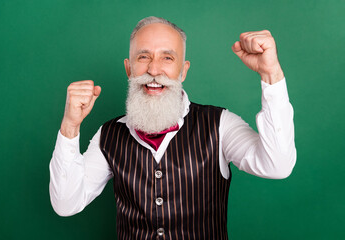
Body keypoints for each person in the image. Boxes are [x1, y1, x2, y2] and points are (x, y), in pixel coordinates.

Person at [49, 16, 296, 239]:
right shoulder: (109, 134)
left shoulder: (220, 124)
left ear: (183, 71)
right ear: (129, 69)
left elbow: (278, 165)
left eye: (167, 58)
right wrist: (70, 126)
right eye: (143, 57)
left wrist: (271, 74)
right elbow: (65, 203)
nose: (154, 70)